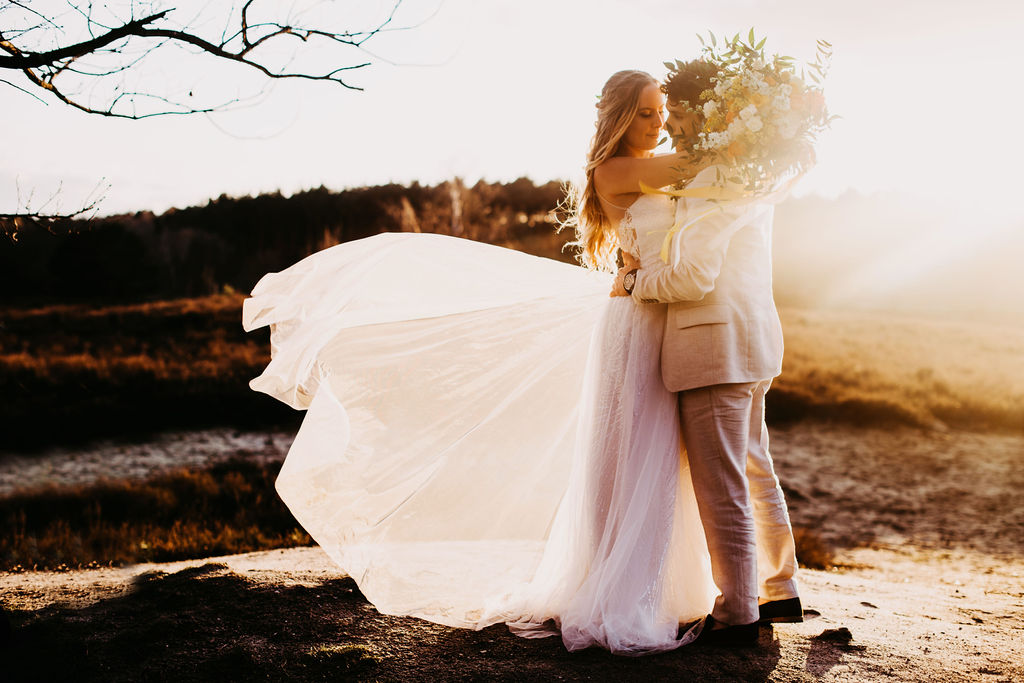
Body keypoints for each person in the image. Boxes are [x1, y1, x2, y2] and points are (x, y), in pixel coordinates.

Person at [242, 67, 745, 656]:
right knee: (634, 449)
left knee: (661, 453)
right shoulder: (619, 169)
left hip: (654, 310)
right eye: (645, 112)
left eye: (662, 112)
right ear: (616, 118)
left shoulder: (642, 166)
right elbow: (714, 172)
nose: (658, 123)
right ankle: (618, 591)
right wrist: (756, 126)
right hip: (635, 323)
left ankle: (659, 584)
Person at [610, 61, 804, 647]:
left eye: (682, 111)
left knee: (723, 483)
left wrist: (633, 284)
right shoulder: (750, 170)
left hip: (713, 345)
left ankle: (737, 613)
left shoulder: (715, 174)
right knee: (752, 467)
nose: (674, 123)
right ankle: (779, 589)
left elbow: (693, 276)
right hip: (751, 339)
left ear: (709, 111)